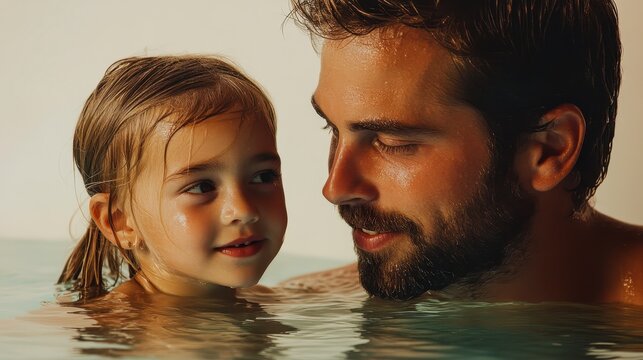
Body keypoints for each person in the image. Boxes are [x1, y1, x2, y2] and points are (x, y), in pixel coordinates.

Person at [282, 0, 643, 304]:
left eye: (393, 142)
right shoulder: (312, 298)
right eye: (332, 127)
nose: (335, 187)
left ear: (548, 150)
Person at [58, 56, 287, 301]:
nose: (243, 210)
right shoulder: (107, 323)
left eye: (263, 176)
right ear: (121, 222)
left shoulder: (267, 301)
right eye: (202, 187)